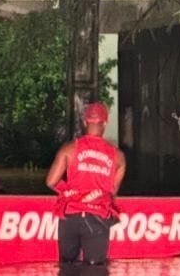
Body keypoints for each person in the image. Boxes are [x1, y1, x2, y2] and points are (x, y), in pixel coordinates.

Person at [45, 102, 126, 265]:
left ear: (84, 122)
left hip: (70, 217)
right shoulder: (118, 157)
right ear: (105, 123)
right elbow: (112, 191)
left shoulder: (68, 149)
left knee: (67, 270)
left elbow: (50, 181)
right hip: (98, 218)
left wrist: (70, 192)